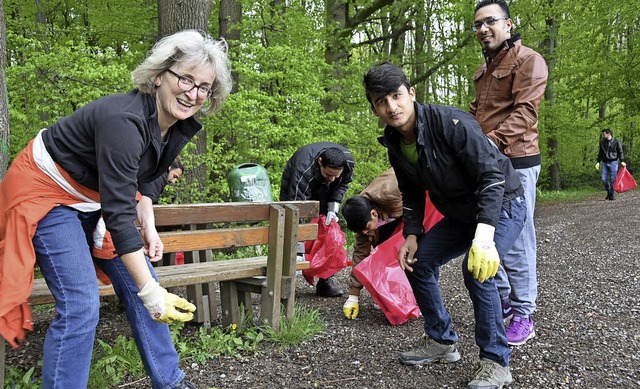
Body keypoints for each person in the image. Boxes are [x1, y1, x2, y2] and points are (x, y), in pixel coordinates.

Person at [0, 29, 232, 388]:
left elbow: (152, 173)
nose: (194, 93)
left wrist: (149, 219)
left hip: (95, 197)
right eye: (185, 78)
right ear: (158, 77)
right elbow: (120, 213)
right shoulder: (123, 121)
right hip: (47, 191)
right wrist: (151, 287)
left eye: (204, 86)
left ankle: (170, 381)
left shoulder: (176, 121)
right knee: (82, 304)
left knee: (144, 285)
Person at [364, 61, 526, 389]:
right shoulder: (394, 141)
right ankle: (441, 341)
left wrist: (484, 236)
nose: (392, 107)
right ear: (374, 108)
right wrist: (411, 233)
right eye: (381, 102)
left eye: (396, 96)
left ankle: (496, 361)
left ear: (411, 93)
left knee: (477, 269)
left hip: (503, 204)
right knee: (418, 262)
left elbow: (492, 176)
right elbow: (410, 189)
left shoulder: (451, 123)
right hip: (460, 214)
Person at [469, 0, 548, 346]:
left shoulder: (529, 60)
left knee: (517, 238)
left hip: (517, 159)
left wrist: (488, 143)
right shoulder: (483, 70)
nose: (483, 29)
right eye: (477, 25)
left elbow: (526, 113)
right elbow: (477, 114)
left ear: (508, 23)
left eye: (490, 22)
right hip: (487, 162)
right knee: (489, 233)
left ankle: (524, 313)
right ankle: (502, 299)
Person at [279, 142, 355, 297]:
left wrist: (333, 209)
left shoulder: (348, 163)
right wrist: (297, 249)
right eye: (329, 174)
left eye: (336, 175)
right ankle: (286, 281)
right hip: (296, 190)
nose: (333, 179)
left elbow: (342, 185)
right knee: (291, 227)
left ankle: (325, 281)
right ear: (320, 162)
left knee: (328, 231)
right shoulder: (303, 168)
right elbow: (296, 209)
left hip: (325, 193)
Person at [341, 168, 403, 318]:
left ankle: (417, 298)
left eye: (366, 228)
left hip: (414, 215)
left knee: (414, 256)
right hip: (390, 224)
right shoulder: (361, 216)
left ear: (374, 214)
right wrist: (353, 296)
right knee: (379, 255)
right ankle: (391, 297)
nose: (364, 233)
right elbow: (360, 254)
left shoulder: (391, 194)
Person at [596, 128, 626, 200]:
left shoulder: (617, 142)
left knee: (613, 179)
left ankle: (611, 195)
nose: (602, 136)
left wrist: (622, 160)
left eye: (604, 134)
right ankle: (609, 192)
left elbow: (620, 152)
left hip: (614, 162)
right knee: (604, 179)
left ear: (608, 134)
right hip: (604, 162)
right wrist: (598, 162)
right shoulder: (602, 142)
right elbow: (600, 153)